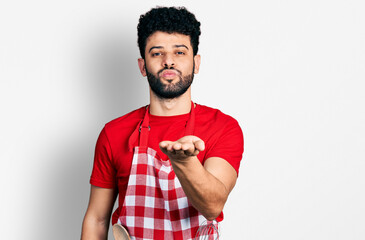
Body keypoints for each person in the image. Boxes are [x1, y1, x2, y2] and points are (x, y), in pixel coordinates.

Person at [81, 6, 244, 240]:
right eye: (157, 53)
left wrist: (185, 164)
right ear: (142, 66)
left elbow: (213, 205)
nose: (168, 61)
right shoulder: (113, 132)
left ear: (196, 63)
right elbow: (96, 219)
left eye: (180, 52)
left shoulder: (223, 127)